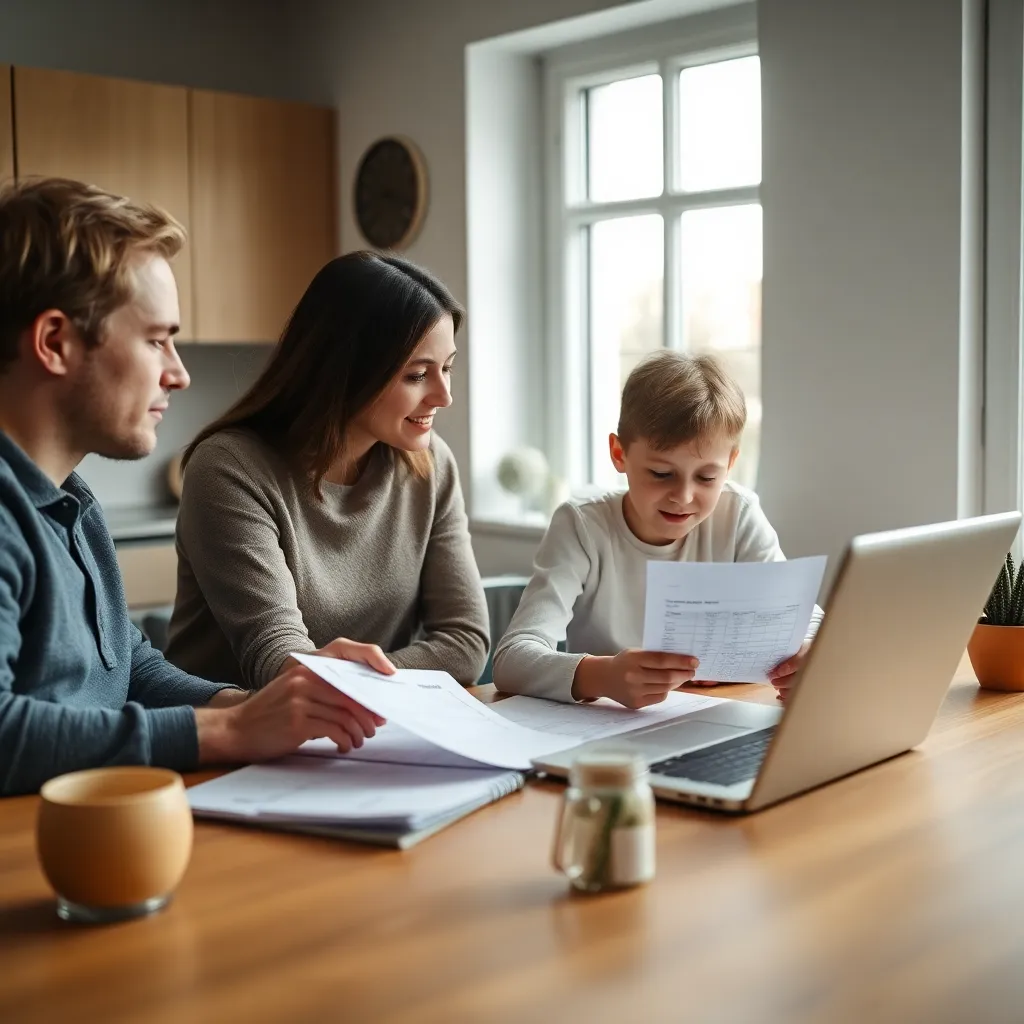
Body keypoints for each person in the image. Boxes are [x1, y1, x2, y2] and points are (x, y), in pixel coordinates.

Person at [0, 178, 387, 798]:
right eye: (157, 340)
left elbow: (128, 668)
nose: (177, 373)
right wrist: (225, 730)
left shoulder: (72, 504)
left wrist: (261, 705)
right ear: (55, 343)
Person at [164, 251, 489, 691]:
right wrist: (374, 682)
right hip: (226, 743)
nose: (443, 396)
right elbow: (280, 660)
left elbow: (465, 644)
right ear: (347, 371)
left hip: (363, 730)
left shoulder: (432, 467)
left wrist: (348, 683)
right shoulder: (230, 470)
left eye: (446, 368)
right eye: (417, 375)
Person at [493, 351, 822, 708]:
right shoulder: (582, 525)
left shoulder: (738, 515)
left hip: (713, 717)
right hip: (609, 730)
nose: (683, 496)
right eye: (661, 474)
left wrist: (811, 657)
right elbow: (512, 661)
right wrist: (603, 676)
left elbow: (808, 622)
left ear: (730, 464)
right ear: (619, 453)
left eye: (707, 477)